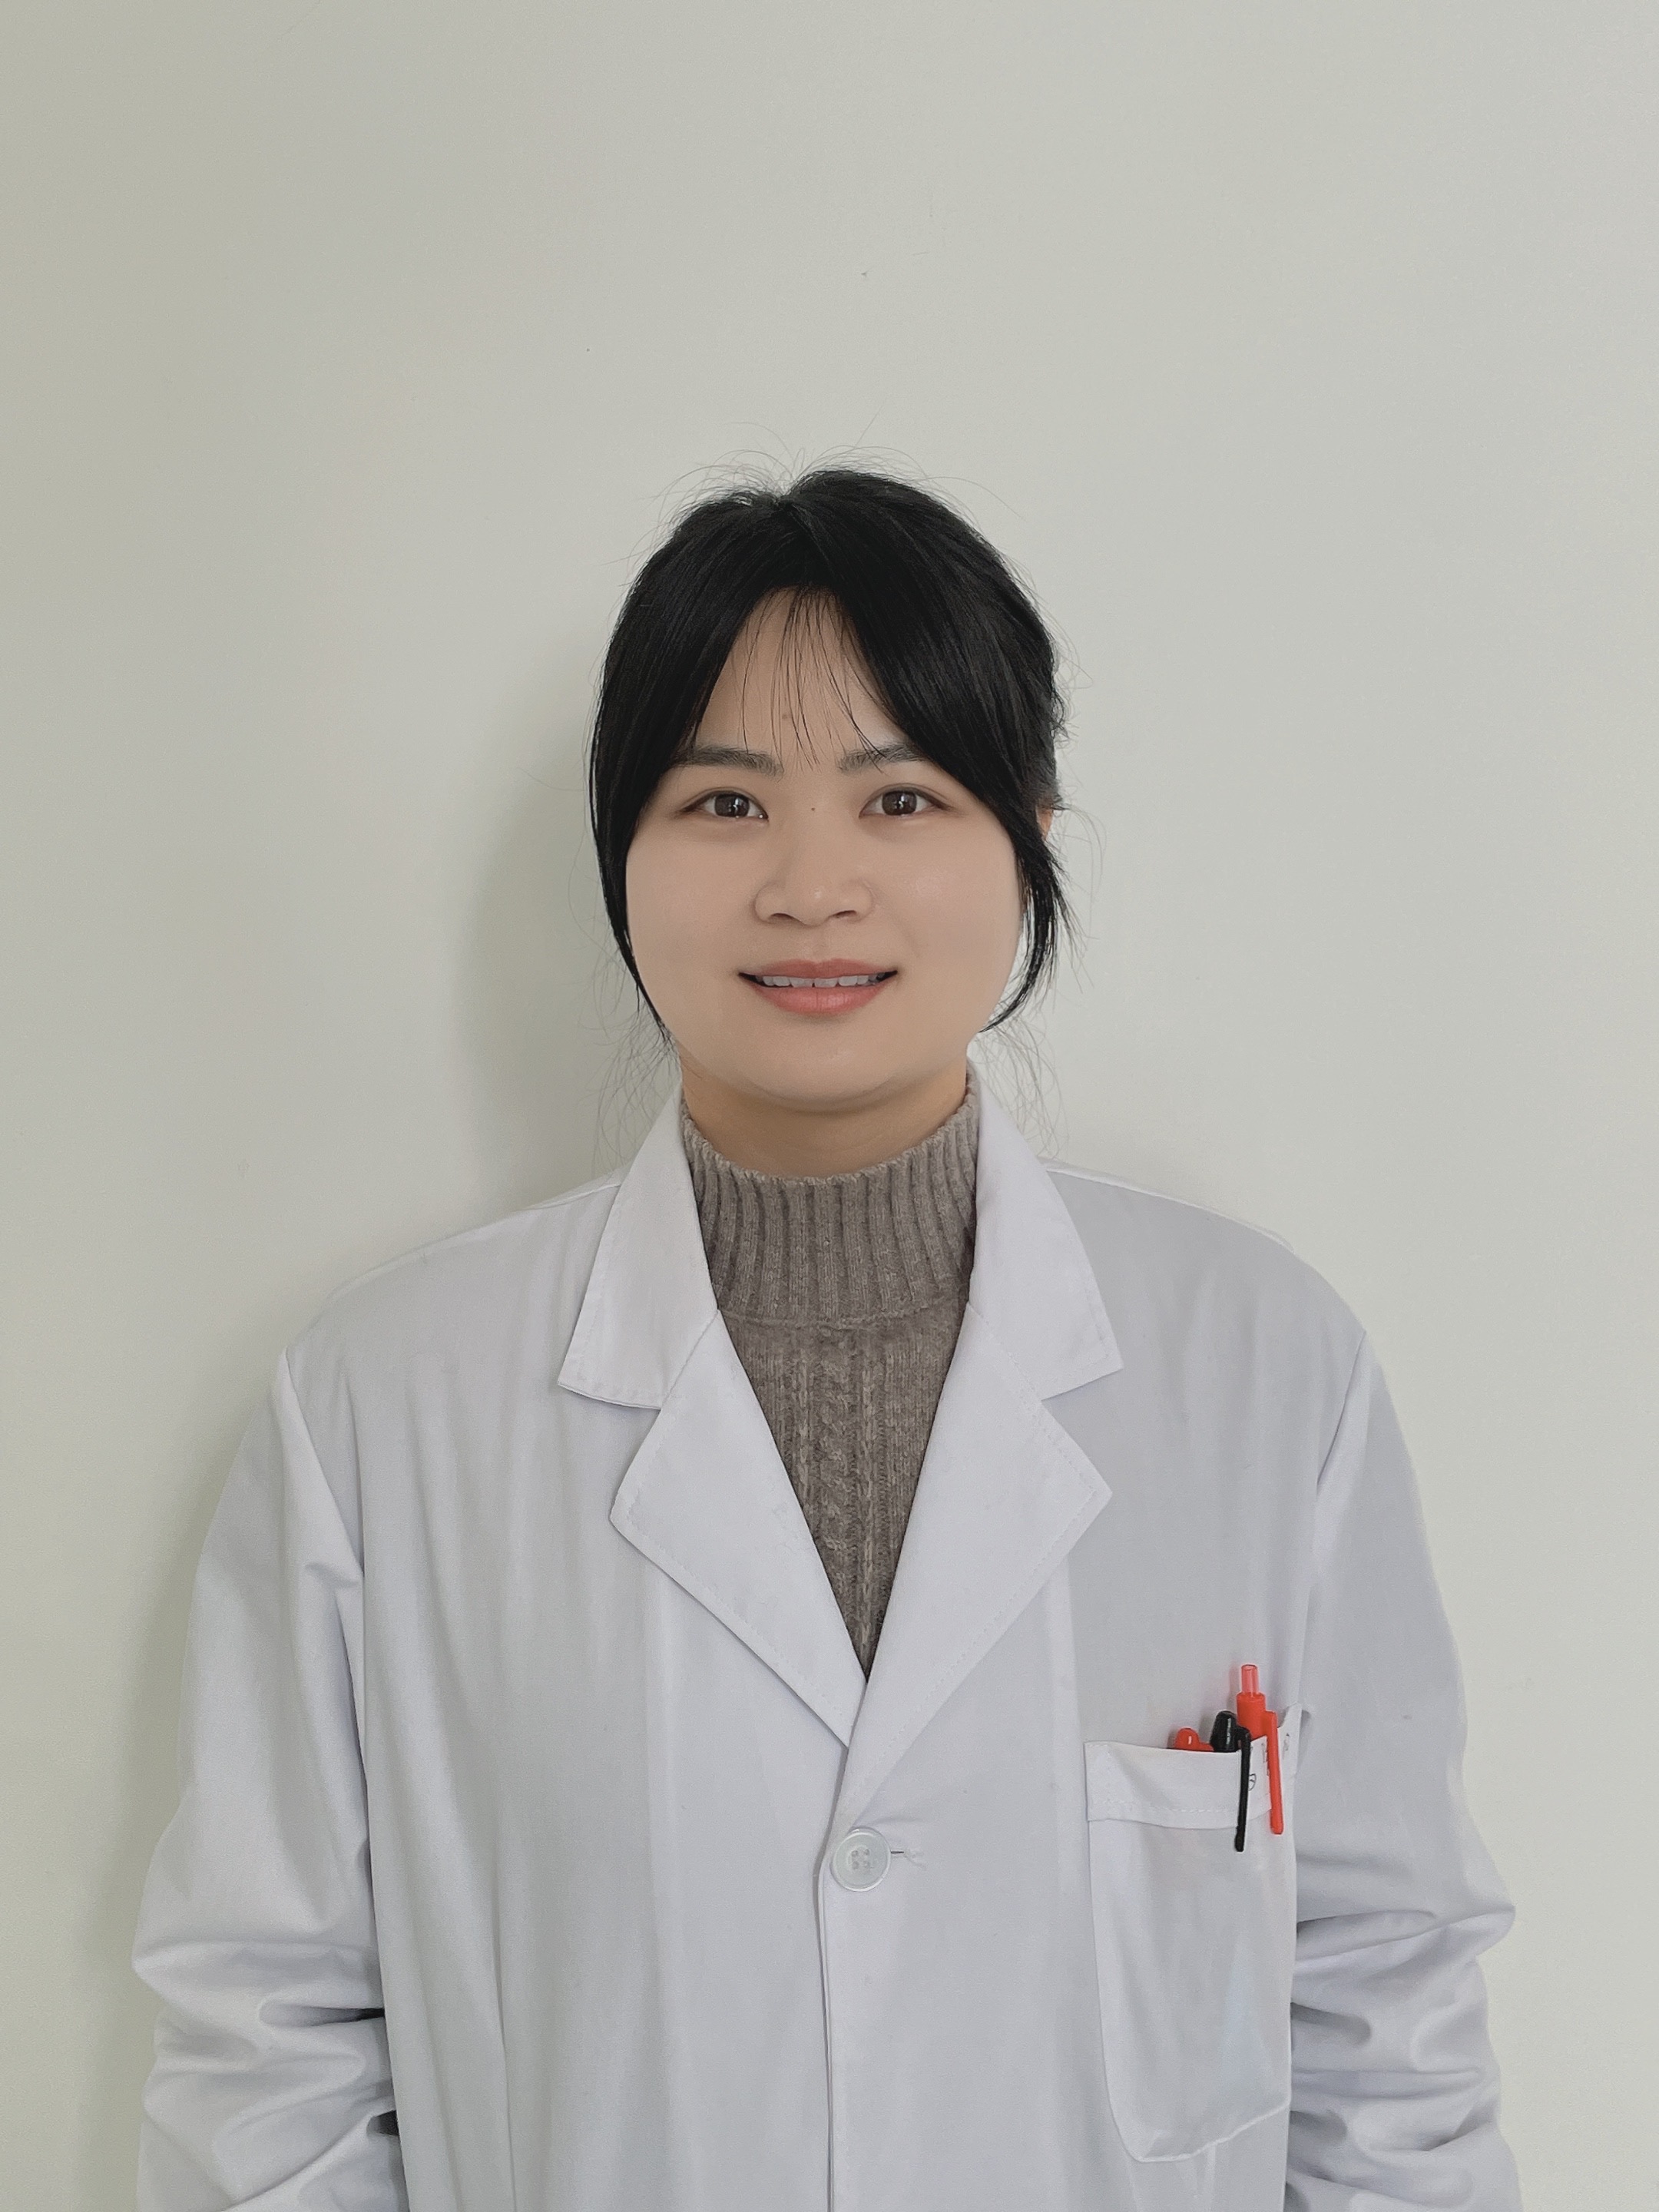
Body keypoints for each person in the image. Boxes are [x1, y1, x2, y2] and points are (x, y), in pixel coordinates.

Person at [132, 467, 1522, 2211]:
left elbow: (1386, 2024)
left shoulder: (1265, 1370)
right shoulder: (382, 1404)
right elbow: (265, 2048)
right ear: (622, 855)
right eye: (724, 801)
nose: (811, 885)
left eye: (901, 797)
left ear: (1026, 839)